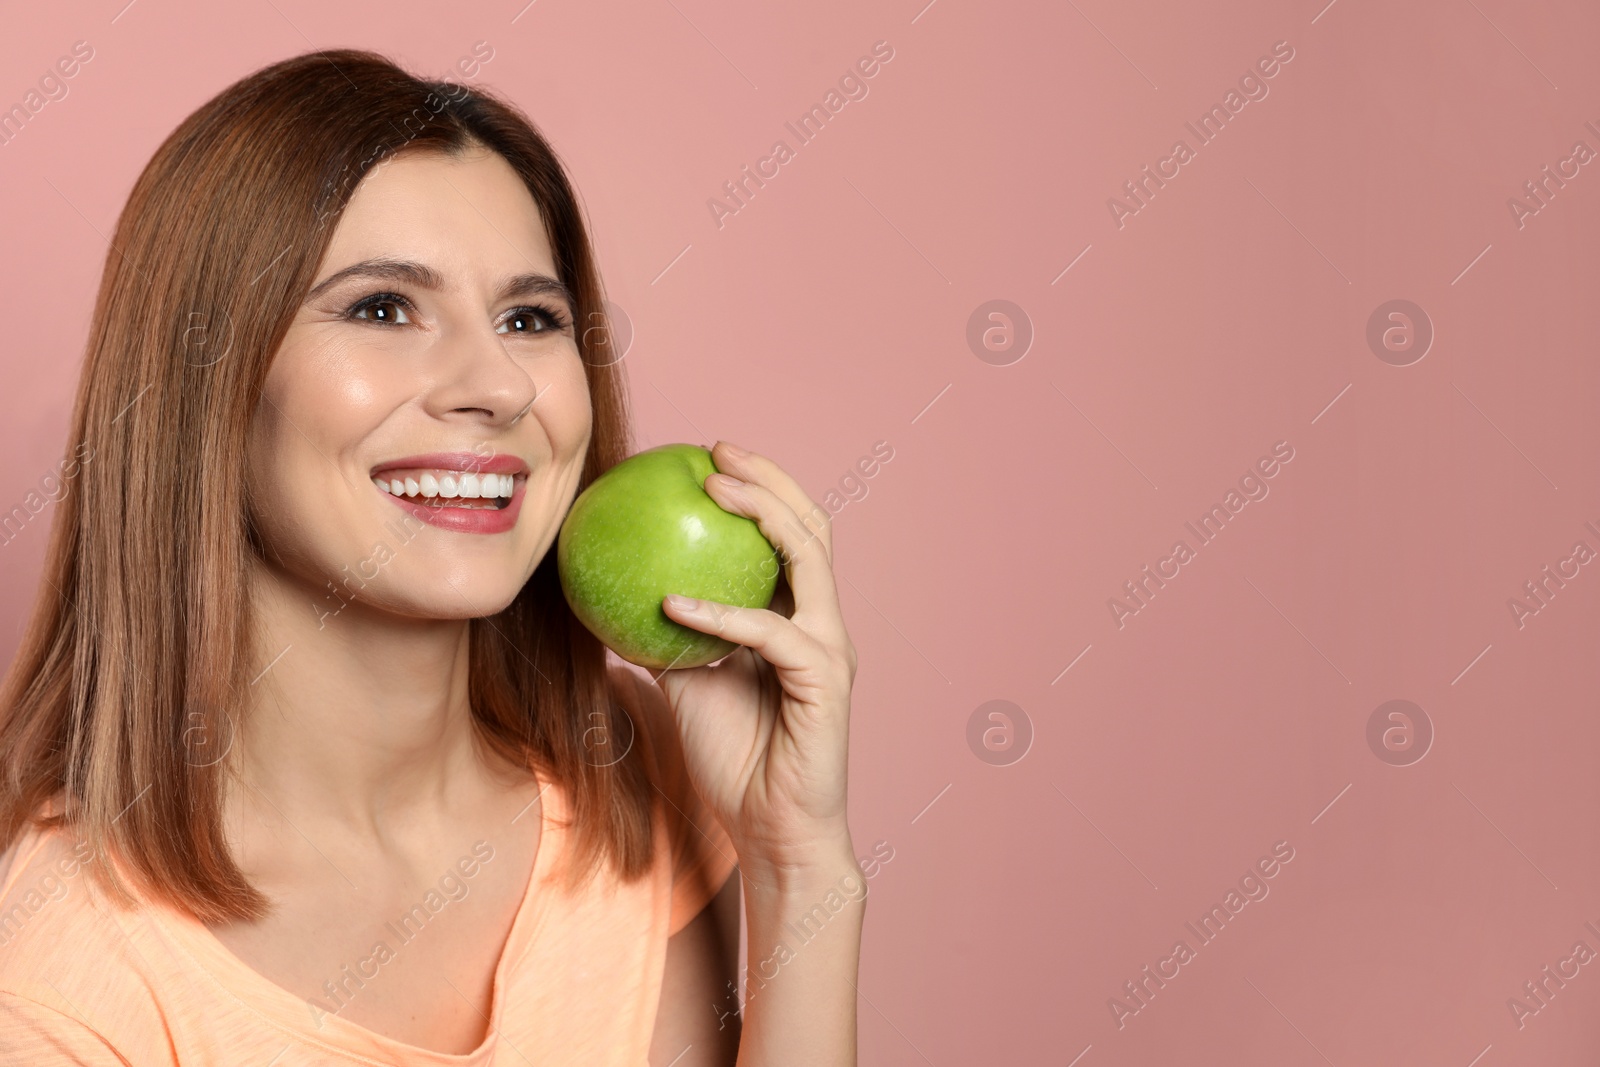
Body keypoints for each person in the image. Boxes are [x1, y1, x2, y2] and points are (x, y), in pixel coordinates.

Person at [0, 49, 862, 1065]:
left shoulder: (641, 783)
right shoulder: (52, 987)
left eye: (528, 318)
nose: (497, 383)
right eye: (380, 308)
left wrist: (799, 865)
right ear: (209, 384)